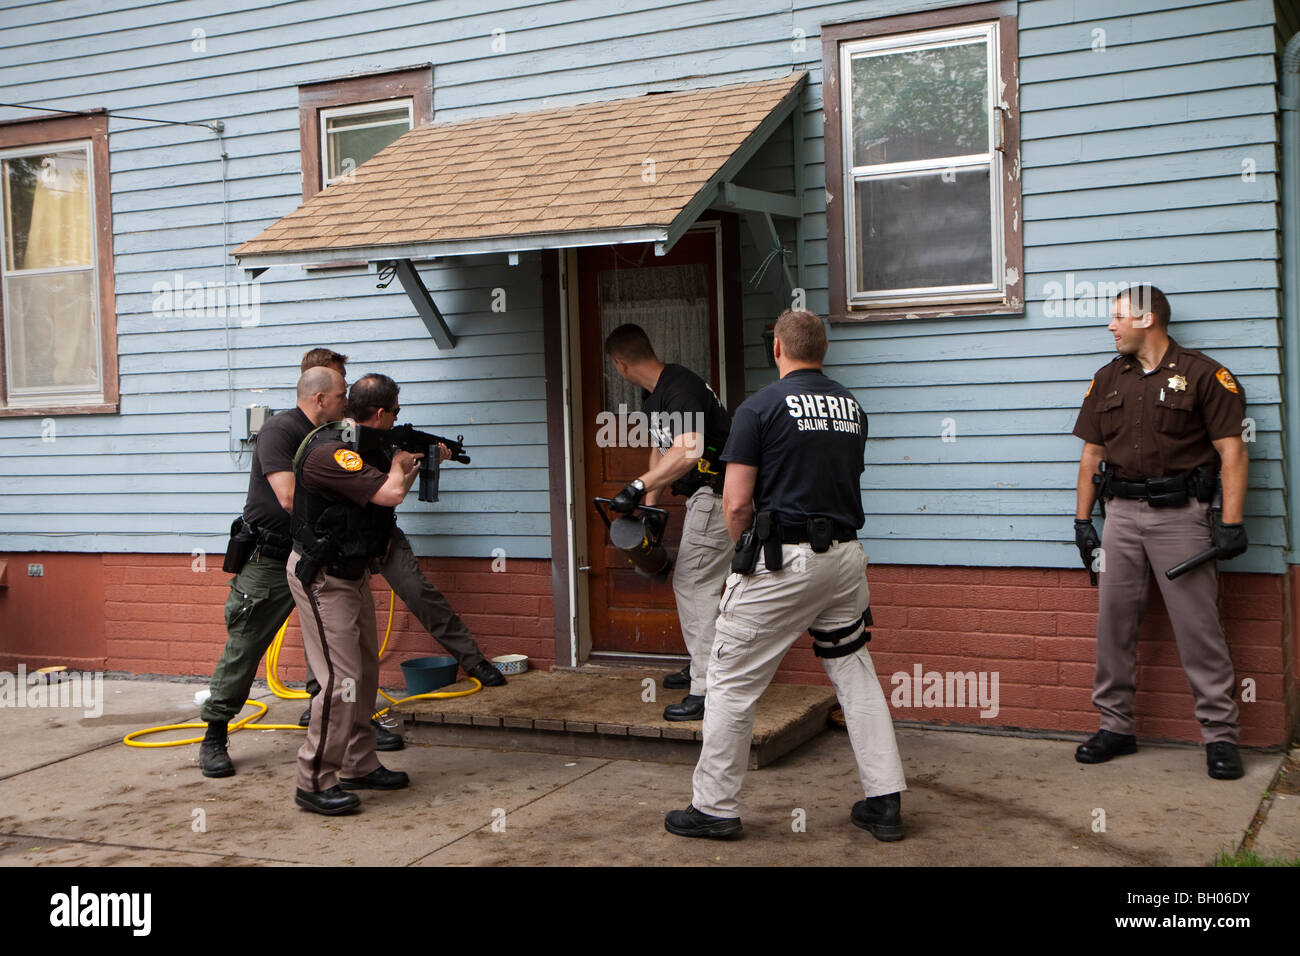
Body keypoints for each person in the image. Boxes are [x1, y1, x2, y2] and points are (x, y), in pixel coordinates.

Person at [665, 309, 907, 840]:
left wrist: (741, 564)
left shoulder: (759, 408)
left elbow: (734, 505)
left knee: (729, 680)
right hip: (845, 564)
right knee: (855, 675)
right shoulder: (852, 408)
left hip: (783, 560)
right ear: (823, 350)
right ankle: (885, 803)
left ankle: (714, 809)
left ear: (778, 348)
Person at [1072, 285, 1249, 780]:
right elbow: (1091, 455)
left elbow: (1233, 452)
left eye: (1118, 317)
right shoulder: (1108, 378)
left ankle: (1219, 736)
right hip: (1120, 518)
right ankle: (1116, 728)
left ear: (1148, 319)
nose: (1111, 325)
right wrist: (1083, 522)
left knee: (1198, 629)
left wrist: (1231, 523)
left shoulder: (1203, 375)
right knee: (1114, 624)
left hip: (1181, 517)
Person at [297, 374, 506, 726]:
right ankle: (321, 696)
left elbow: (394, 489)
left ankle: (472, 661)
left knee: (420, 593)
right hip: (338, 548)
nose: (396, 416)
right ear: (379, 413)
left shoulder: (387, 440)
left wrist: (429, 458)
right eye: (395, 410)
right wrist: (401, 465)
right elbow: (390, 491)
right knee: (327, 625)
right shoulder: (336, 442)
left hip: (381, 537)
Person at [198, 365, 347, 777]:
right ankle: (214, 733)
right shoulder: (280, 431)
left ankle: (330, 717)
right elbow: (288, 496)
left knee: (332, 641)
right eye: (341, 393)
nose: (345, 401)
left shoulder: (331, 435)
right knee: (245, 644)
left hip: (315, 554)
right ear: (320, 399)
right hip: (271, 557)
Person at [287, 391, 425, 815]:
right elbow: (391, 495)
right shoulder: (329, 454)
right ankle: (313, 780)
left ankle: (358, 764)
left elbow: (383, 497)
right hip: (325, 579)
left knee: (363, 675)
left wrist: (408, 464)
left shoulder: (357, 450)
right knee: (340, 680)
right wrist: (404, 462)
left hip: (353, 573)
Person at [603, 324, 733, 721]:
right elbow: (664, 449)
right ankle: (703, 667)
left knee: (693, 583)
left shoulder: (681, 388)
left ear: (620, 364)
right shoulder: (655, 396)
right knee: (702, 587)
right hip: (702, 497)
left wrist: (636, 485)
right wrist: (650, 504)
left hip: (720, 493)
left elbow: (689, 451)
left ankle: (708, 690)